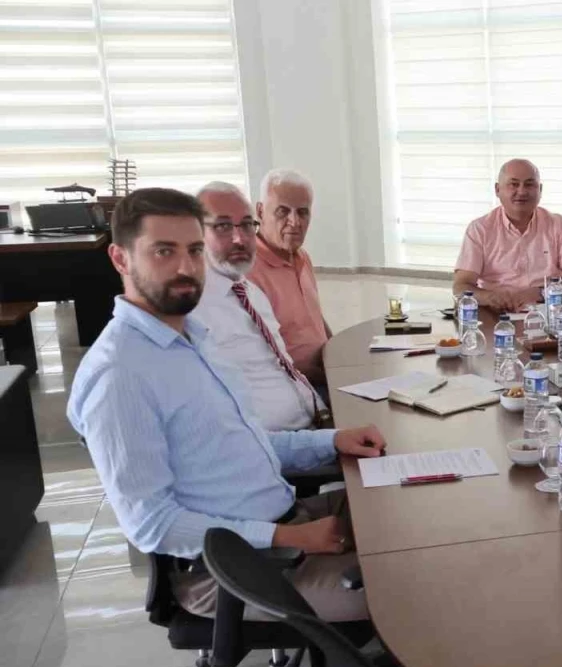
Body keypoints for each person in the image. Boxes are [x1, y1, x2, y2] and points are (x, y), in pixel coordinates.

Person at [67, 187, 385, 622]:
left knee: (412, 517)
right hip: (231, 571)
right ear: (120, 259)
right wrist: (287, 538)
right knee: (414, 591)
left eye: (195, 250)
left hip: (283, 520)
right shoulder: (120, 374)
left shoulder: (193, 337)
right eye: (164, 251)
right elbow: (152, 524)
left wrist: (332, 440)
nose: (186, 267)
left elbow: (244, 441)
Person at [190, 182, 328, 431]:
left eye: (246, 225)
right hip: (281, 441)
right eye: (223, 226)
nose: (239, 239)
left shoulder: (249, 292)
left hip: (315, 417)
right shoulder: (191, 312)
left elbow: (282, 366)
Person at [453, 158, 562, 312]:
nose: (522, 191)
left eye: (529, 184)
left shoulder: (558, 224)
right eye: (514, 184)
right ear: (497, 189)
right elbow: (460, 286)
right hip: (497, 313)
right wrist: (490, 297)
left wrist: (541, 293)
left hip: (547, 310)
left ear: (540, 190)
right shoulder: (480, 229)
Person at [246, 169, 331, 385]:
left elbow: (315, 319)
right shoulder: (248, 271)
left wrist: (338, 354)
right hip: (294, 385)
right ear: (260, 211)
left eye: (302, 212)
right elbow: (258, 355)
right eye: (283, 211)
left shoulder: (302, 257)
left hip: (326, 374)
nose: (294, 222)